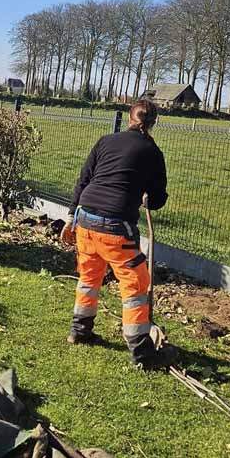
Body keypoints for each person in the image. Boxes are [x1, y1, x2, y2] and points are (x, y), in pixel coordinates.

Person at [61, 99, 171, 370]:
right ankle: (142, 354)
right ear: (154, 121)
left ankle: (79, 331)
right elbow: (157, 198)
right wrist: (146, 197)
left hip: (85, 219)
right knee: (135, 284)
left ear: (130, 118)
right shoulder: (153, 151)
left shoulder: (106, 141)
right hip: (115, 226)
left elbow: (84, 179)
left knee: (89, 278)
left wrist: (70, 217)